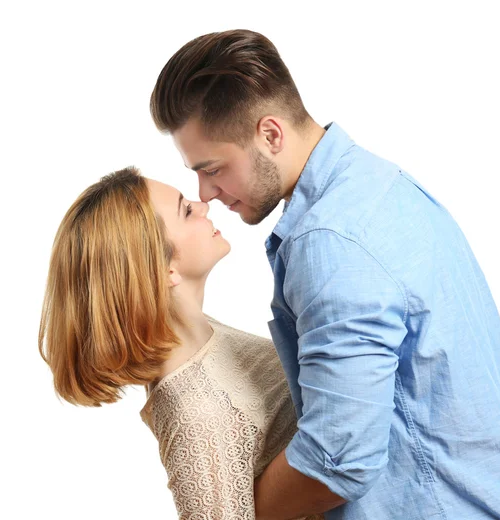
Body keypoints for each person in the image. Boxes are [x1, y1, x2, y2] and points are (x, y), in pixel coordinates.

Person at [149, 29, 500, 519]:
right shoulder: (375, 184)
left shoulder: (330, 243)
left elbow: (337, 461)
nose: (207, 192)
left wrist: (230, 511)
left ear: (270, 134)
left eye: (214, 168)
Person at [38, 167, 322, 520]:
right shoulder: (194, 413)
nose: (203, 205)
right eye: (186, 210)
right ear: (162, 269)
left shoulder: (200, 335)